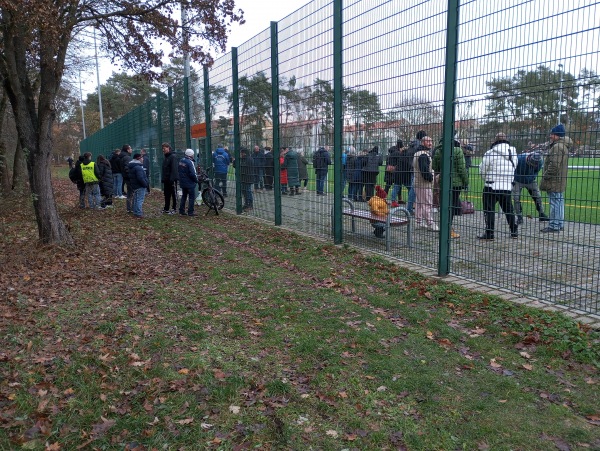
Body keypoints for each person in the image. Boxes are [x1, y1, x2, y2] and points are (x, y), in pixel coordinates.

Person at [478, 132, 518, 240]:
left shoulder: (490, 153)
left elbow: (482, 169)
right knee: (508, 209)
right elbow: (515, 167)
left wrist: (486, 178)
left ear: (495, 141)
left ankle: (490, 233)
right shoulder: (513, 152)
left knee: (489, 210)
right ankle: (514, 231)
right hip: (506, 185)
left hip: (491, 185)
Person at [432, 139, 469, 239]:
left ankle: (445, 229)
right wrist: (466, 181)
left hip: (443, 182)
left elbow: (435, 167)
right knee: (451, 206)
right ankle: (448, 230)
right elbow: (462, 168)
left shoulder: (438, 151)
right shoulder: (457, 150)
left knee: (445, 206)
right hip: (456, 184)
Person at [539, 124, 571, 233]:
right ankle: (559, 223)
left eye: (552, 134)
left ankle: (554, 225)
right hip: (559, 179)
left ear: (557, 135)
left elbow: (554, 165)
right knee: (559, 201)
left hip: (554, 180)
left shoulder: (557, 147)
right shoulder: (563, 146)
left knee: (555, 202)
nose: (550, 136)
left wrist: (546, 175)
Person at [512, 150, 548, 225]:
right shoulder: (519, 158)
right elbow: (513, 168)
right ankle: (519, 217)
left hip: (531, 181)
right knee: (516, 198)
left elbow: (536, 172)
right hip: (518, 180)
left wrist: (530, 178)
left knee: (538, 196)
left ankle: (541, 214)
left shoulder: (540, 162)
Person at [412, 136, 438, 231]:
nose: (430, 143)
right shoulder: (423, 155)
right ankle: (430, 223)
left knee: (419, 203)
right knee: (427, 204)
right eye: (428, 141)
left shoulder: (418, 153)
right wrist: (431, 178)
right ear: (422, 142)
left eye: (431, 141)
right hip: (424, 184)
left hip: (418, 183)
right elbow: (424, 171)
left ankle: (418, 222)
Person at [404, 130, 427, 215]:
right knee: (414, 190)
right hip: (417, 170)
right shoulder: (418, 146)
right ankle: (410, 209)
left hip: (412, 169)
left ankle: (412, 207)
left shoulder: (411, 145)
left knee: (413, 189)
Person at [178, 149, 199, 216]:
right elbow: (193, 173)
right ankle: (190, 212)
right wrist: (196, 180)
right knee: (191, 197)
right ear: (191, 155)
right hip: (189, 182)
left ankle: (181, 210)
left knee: (184, 196)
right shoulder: (190, 162)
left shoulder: (181, 161)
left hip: (183, 182)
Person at [128, 153, 149, 218]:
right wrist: (145, 184)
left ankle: (135, 211)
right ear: (138, 158)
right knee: (139, 199)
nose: (143, 159)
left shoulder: (132, 166)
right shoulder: (138, 167)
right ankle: (138, 213)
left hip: (135, 185)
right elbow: (140, 178)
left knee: (136, 199)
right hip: (140, 186)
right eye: (142, 158)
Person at [161, 142, 179, 214]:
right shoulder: (166, 157)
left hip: (171, 180)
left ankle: (174, 208)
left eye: (164, 148)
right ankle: (166, 208)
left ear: (168, 148)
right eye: (163, 148)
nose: (163, 150)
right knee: (166, 194)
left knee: (173, 194)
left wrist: (172, 179)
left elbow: (174, 169)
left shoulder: (172, 157)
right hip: (166, 179)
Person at [239, 147, 254, 211]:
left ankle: (250, 205)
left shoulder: (248, 159)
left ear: (244, 153)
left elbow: (243, 168)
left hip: (247, 178)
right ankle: (246, 204)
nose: (240, 154)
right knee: (244, 192)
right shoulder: (244, 159)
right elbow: (235, 165)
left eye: (241, 153)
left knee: (248, 192)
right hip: (244, 178)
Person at [120, 145, 133, 211]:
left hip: (125, 177)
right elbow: (127, 168)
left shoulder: (122, 157)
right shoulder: (127, 158)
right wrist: (131, 176)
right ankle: (132, 208)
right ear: (127, 150)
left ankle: (129, 208)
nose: (131, 149)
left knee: (129, 193)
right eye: (130, 148)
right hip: (129, 178)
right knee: (132, 193)